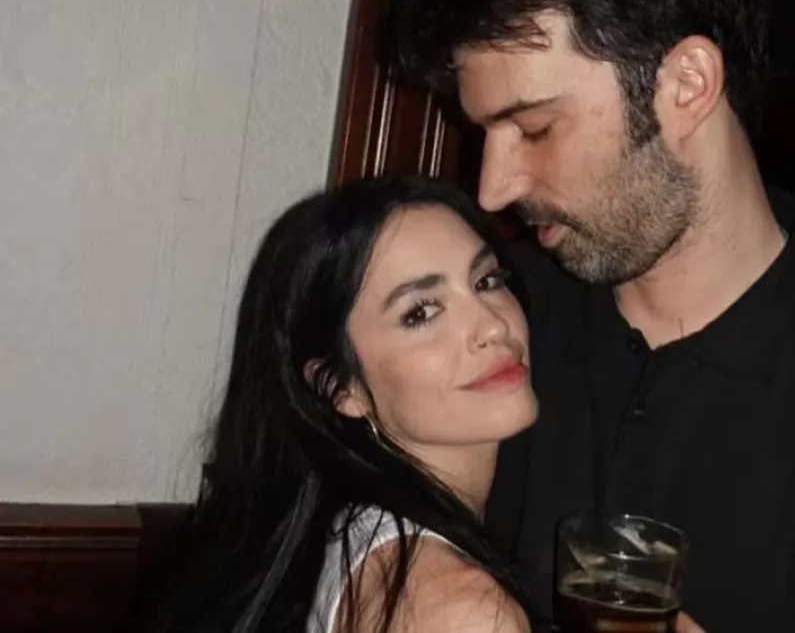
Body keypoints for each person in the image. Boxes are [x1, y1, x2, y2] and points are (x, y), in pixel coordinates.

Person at [386, 0, 795, 632]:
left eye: (534, 128)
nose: (494, 188)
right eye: (485, 133)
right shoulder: (498, 322)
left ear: (687, 85)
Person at [155, 176, 539, 633]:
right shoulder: (464, 613)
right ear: (340, 387)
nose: (493, 325)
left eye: (486, 280)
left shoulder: (351, 531)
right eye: (421, 312)